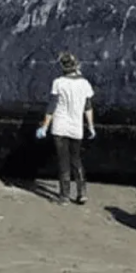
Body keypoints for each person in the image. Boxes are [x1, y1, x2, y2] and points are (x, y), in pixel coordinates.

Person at [35, 52, 96, 205]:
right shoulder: (85, 84)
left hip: (60, 127)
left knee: (63, 161)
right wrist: (91, 126)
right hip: (76, 127)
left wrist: (44, 126)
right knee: (76, 159)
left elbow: (52, 106)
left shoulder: (58, 83)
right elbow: (88, 108)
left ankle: (64, 196)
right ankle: (82, 193)